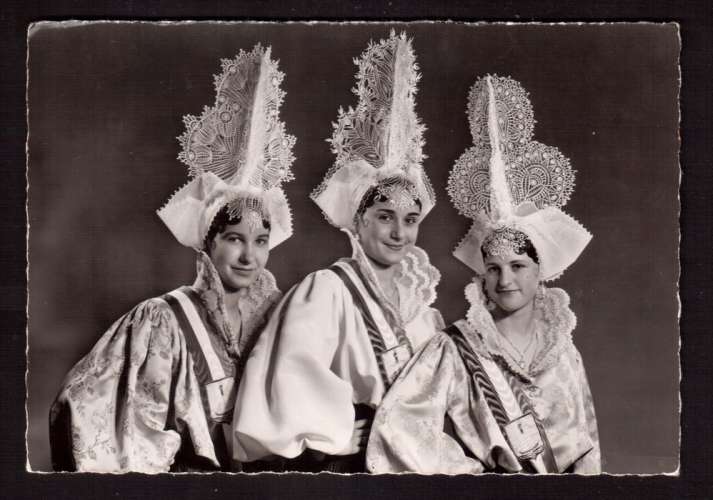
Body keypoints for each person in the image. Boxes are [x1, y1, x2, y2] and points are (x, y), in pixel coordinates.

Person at [48, 45, 297, 473]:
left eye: (260, 241)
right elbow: (112, 422)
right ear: (207, 242)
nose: (249, 255)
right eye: (234, 239)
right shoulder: (163, 321)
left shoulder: (278, 318)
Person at [366, 75, 601, 474]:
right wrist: (471, 478)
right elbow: (399, 428)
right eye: (493, 268)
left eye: (518, 266)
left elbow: (587, 445)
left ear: (540, 271)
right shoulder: (454, 348)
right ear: (481, 274)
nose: (504, 280)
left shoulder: (563, 350)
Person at [232, 31, 443, 473]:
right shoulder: (327, 289)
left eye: (410, 220)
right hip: (354, 467)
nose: (399, 232)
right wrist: (335, 432)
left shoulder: (425, 310)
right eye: (385, 216)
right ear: (359, 220)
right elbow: (292, 369)